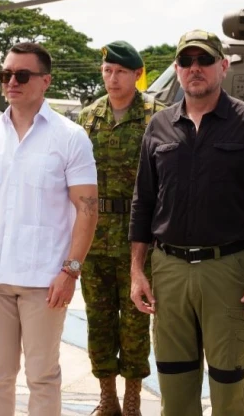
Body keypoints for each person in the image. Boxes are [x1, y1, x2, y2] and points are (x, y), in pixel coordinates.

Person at [129, 29, 244, 416]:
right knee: (174, 381)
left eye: (204, 61)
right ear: (177, 69)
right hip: (168, 269)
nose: (194, 69)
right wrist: (137, 271)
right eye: (186, 61)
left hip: (227, 270)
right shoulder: (159, 126)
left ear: (222, 66)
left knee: (229, 383)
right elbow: (143, 202)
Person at [0, 41, 98, 416]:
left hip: (44, 280)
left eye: (21, 75)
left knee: (42, 376)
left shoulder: (70, 136)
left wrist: (70, 271)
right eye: (5, 75)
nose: (11, 82)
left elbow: (87, 209)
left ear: (45, 80)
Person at [77, 41, 164, 416]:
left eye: (121, 72)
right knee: (98, 321)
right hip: (93, 237)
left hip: (139, 236)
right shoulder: (87, 118)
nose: (113, 79)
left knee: (134, 322)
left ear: (136, 74)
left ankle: (132, 398)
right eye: (107, 71)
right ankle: (107, 395)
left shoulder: (157, 116)